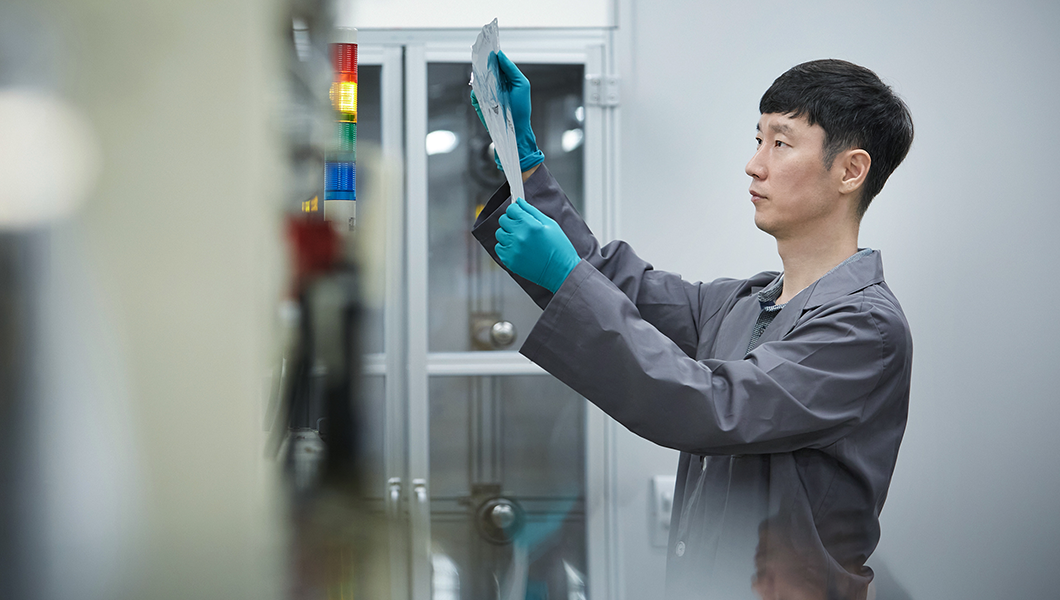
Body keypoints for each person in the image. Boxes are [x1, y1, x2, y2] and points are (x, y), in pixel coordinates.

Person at [470, 53, 914, 599]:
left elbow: (712, 407)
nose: (754, 165)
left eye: (781, 143)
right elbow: (616, 284)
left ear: (850, 171)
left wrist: (566, 275)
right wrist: (523, 161)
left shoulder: (863, 328)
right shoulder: (746, 303)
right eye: (758, 140)